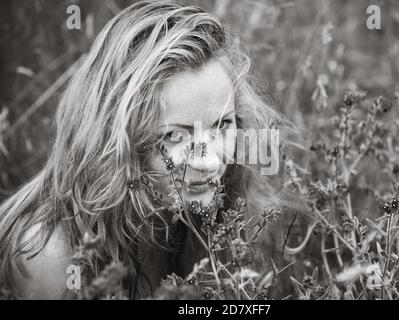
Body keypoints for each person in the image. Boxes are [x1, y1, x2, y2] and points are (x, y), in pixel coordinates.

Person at [0, 0, 307, 299]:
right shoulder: (50, 254)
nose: (209, 160)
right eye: (174, 135)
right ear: (115, 140)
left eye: (222, 126)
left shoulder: (222, 210)